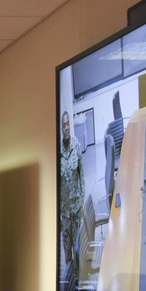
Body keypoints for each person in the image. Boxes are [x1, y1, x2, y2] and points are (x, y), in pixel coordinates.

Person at [59, 111, 84, 277]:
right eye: (64, 125)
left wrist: (82, 202)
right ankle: (70, 280)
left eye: (68, 124)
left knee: (77, 248)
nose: (66, 128)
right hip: (64, 212)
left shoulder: (77, 146)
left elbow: (82, 176)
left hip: (76, 208)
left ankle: (79, 276)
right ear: (61, 128)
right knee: (67, 249)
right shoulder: (58, 152)